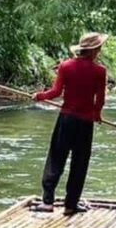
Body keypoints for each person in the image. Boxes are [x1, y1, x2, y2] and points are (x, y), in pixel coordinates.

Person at [31, 32, 108, 216]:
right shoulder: (100, 71)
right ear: (94, 50)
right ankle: (70, 205)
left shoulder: (66, 66)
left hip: (66, 120)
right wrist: (96, 114)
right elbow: (100, 100)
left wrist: (39, 96)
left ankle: (48, 202)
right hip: (85, 123)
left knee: (56, 158)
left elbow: (56, 92)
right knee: (80, 163)